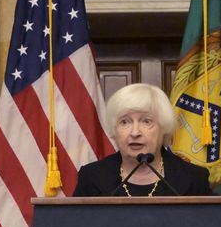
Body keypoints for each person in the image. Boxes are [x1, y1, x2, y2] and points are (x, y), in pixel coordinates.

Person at [73, 83, 213, 197]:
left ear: (164, 127)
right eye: (124, 122)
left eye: (146, 121)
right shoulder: (91, 177)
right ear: (114, 129)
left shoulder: (194, 178)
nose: (135, 132)